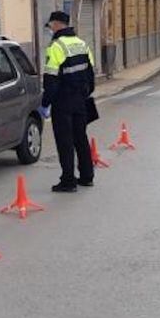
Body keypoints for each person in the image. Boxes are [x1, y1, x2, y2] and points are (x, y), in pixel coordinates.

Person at [41, 10, 96, 193]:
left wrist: (45, 102)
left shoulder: (56, 46)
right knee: (81, 138)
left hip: (63, 102)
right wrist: (84, 93)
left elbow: (51, 79)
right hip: (80, 100)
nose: (50, 28)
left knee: (65, 142)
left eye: (50, 25)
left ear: (56, 24)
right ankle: (87, 176)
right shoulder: (81, 43)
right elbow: (90, 74)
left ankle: (68, 181)